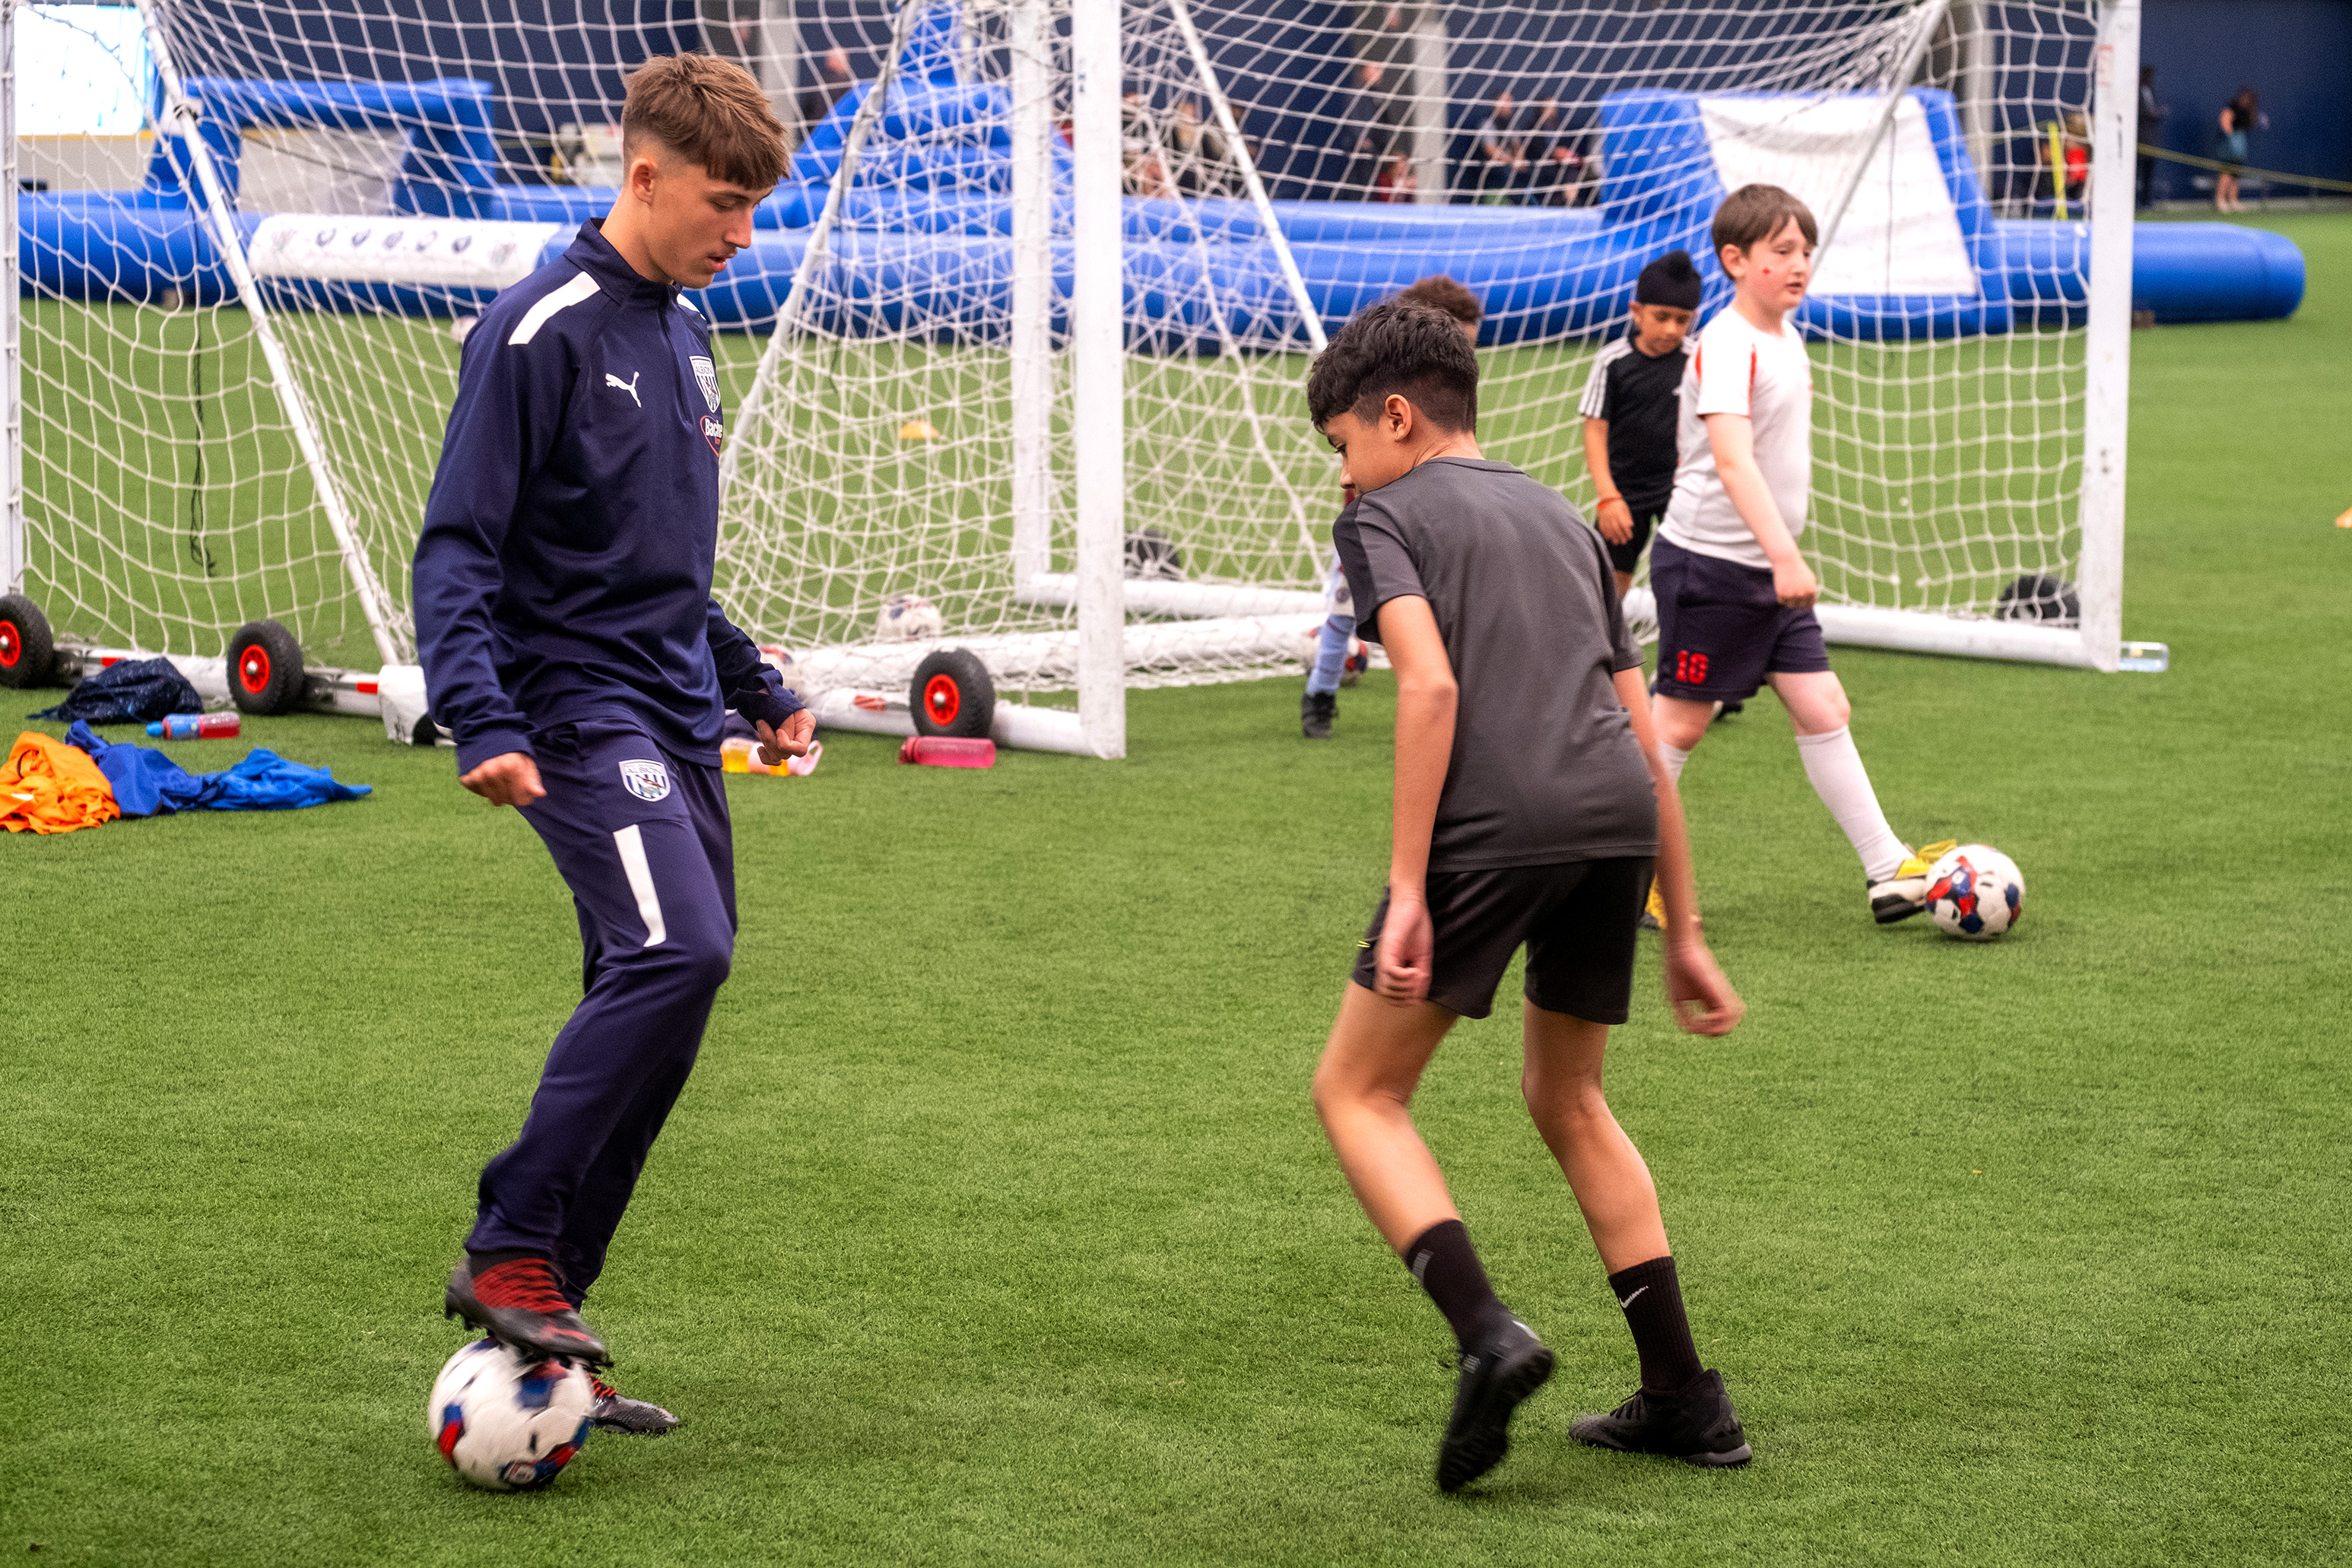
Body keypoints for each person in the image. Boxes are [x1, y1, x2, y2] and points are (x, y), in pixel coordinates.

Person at [413, 52, 814, 1436]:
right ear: (642, 177)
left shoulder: (685, 330)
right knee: (675, 950)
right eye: (724, 202)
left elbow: (661, 568)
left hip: (673, 708)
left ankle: (554, 1328)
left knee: (669, 1010)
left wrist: (754, 684)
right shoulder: (540, 329)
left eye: (756, 207)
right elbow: (458, 544)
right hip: (576, 710)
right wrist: (481, 712)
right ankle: (504, 1240)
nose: (743, 233)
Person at [1307, 297, 1750, 1493]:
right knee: (1571, 1096)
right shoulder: (1563, 514)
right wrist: (1686, 929)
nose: (1343, 478)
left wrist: (1409, 886)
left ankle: (1487, 1332)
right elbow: (1640, 727)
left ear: (1393, 418)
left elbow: (1431, 692)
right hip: (1615, 819)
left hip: (1498, 827)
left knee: (1357, 1090)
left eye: (1343, 446)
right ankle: (1686, 1399)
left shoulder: (1383, 519)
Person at [1648, 184, 1948, 925]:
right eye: (1782, 251)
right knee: (1679, 727)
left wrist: (1780, 560)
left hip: (1767, 574)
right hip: (1710, 569)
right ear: (1736, 260)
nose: (1799, 264)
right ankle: (1617, 875)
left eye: (1806, 251)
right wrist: (1785, 556)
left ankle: (1887, 868)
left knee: (1823, 705)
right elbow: (1731, 461)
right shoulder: (1725, 342)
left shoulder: (1787, 336)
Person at [1303, 275, 1482, 739]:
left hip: (1436, 527)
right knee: (1344, 613)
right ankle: (1319, 695)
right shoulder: (1369, 464)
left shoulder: (1450, 421)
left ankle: (1459, 707)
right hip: (1378, 530)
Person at [1580, 250, 1701, 602]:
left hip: (1681, 488)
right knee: (1608, 582)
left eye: (1682, 320)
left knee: (1689, 574)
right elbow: (1595, 430)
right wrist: (1608, 497)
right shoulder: (1612, 362)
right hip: (1624, 492)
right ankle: (1607, 648)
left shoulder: (1697, 361)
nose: (1671, 329)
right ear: (1636, 312)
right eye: (1661, 317)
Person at [2214, 89, 2263, 212]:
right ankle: (2220, 200)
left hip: (2240, 146)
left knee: (2236, 174)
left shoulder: (2247, 113)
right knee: (2226, 173)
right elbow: (2226, 127)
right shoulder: (2230, 110)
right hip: (2228, 147)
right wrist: (2233, 143)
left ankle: (2233, 200)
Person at [2135, 66, 2167, 208]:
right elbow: (2142, 112)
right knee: (2137, 172)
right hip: (2140, 140)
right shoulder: (2136, 93)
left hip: (2150, 140)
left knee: (2148, 172)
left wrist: (2158, 113)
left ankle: (2146, 201)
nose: (2150, 79)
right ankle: (2135, 201)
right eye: (2147, 76)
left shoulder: (2151, 92)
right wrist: (2152, 114)